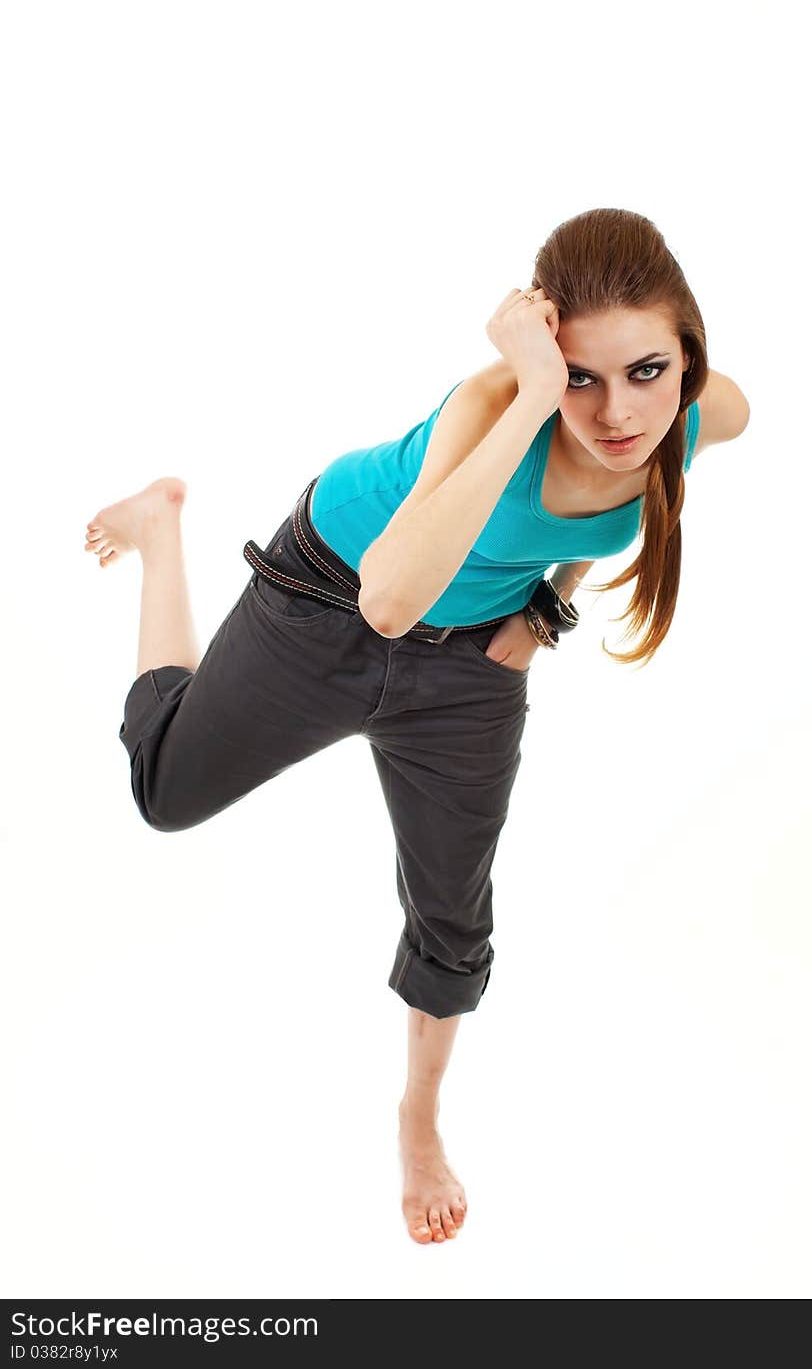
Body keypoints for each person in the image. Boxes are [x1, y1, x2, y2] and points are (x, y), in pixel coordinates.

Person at [83, 208, 748, 1246]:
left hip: (470, 661)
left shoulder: (702, 413)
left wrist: (544, 610)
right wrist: (527, 394)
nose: (616, 412)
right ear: (540, 361)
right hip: (328, 595)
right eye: (579, 376)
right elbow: (389, 600)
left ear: (686, 358)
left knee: (455, 918)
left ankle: (418, 1115)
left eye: (646, 372)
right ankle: (162, 526)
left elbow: (606, 507)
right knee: (163, 791)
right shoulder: (497, 401)